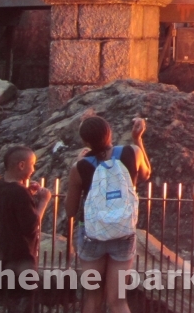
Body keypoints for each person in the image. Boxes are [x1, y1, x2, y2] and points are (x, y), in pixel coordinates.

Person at [65, 115, 151, 313]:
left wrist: (80, 164)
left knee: (92, 298)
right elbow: (146, 174)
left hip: (91, 234)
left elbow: (70, 210)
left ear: (86, 142)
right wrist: (137, 139)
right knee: (118, 300)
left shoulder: (80, 167)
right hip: (123, 232)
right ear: (109, 133)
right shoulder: (133, 152)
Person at [0, 146, 51, 311]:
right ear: (21, 165)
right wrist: (43, 201)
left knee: (9, 303)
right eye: (32, 165)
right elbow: (31, 226)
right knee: (23, 303)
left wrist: (28, 193)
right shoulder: (20, 192)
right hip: (21, 258)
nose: (34, 169)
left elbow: (10, 211)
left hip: (1, 254)